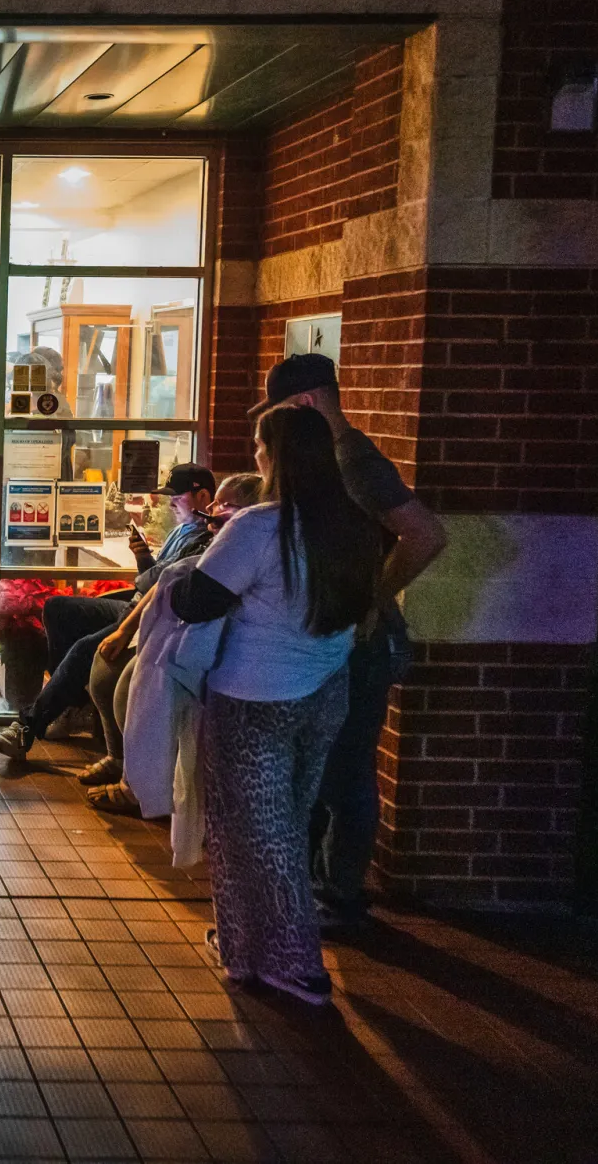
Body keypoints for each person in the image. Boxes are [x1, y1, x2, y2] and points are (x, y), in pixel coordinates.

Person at [169, 404, 386, 1006]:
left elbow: (196, 600)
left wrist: (194, 566)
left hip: (253, 698)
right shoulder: (355, 526)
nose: (257, 456)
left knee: (257, 834)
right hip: (325, 691)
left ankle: (297, 964)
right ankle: (244, 948)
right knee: (282, 821)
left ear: (278, 455)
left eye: (262, 446)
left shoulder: (261, 527)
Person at [252, 354, 448, 933]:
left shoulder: (352, 461)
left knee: (345, 772)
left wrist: (369, 599)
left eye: (282, 414)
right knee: (327, 766)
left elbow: (426, 534)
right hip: (337, 636)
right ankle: (319, 887)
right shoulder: (338, 460)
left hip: (361, 644)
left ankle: (339, 897)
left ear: (306, 404)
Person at [0, 463, 219, 760]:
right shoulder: (182, 531)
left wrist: (144, 582)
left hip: (149, 618)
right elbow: (151, 581)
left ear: (202, 497)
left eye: (177, 496)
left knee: (86, 649)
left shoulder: (206, 540)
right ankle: (73, 706)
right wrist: (143, 556)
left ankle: (26, 728)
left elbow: (159, 590)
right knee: (59, 608)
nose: (170, 502)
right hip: (135, 604)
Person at [83, 472, 264, 815]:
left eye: (224, 504)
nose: (213, 510)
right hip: (173, 639)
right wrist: (125, 631)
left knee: (136, 694)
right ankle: (126, 769)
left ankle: (148, 790)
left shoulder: (236, 545)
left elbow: (189, 595)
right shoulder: (202, 536)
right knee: (105, 666)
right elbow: (162, 582)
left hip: (203, 656)